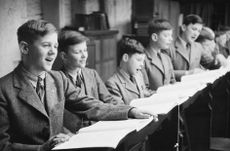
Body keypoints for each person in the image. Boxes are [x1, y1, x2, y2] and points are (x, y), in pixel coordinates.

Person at [0, 19, 155, 151]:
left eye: (55, 46)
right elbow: (3, 145)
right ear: (25, 48)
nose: (53, 52)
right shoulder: (4, 89)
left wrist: (130, 111)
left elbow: (91, 105)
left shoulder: (58, 79)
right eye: (46, 45)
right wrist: (41, 149)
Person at [58, 28, 123, 132]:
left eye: (85, 50)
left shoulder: (92, 74)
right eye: (78, 52)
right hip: (74, 134)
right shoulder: (58, 81)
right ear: (64, 56)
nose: (84, 56)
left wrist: (125, 110)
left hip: (99, 129)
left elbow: (108, 100)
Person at [166, 14, 217, 81]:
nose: (196, 34)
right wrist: (188, 73)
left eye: (199, 31)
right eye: (194, 29)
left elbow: (208, 63)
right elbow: (166, 72)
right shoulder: (168, 47)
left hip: (195, 87)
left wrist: (217, 59)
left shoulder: (198, 46)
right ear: (183, 27)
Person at [106, 37, 154, 105]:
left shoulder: (139, 75)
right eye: (139, 60)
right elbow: (119, 110)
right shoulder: (112, 84)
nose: (142, 65)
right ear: (125, 58)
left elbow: (144, 93)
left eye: (143, 61)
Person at [142, 19, 176, 91]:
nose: (171, 39)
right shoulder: (142, 59)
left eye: (171, 35)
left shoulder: (167, 58)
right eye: (166, 36)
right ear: (154, 37)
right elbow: (143, 89)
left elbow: (172, 82)